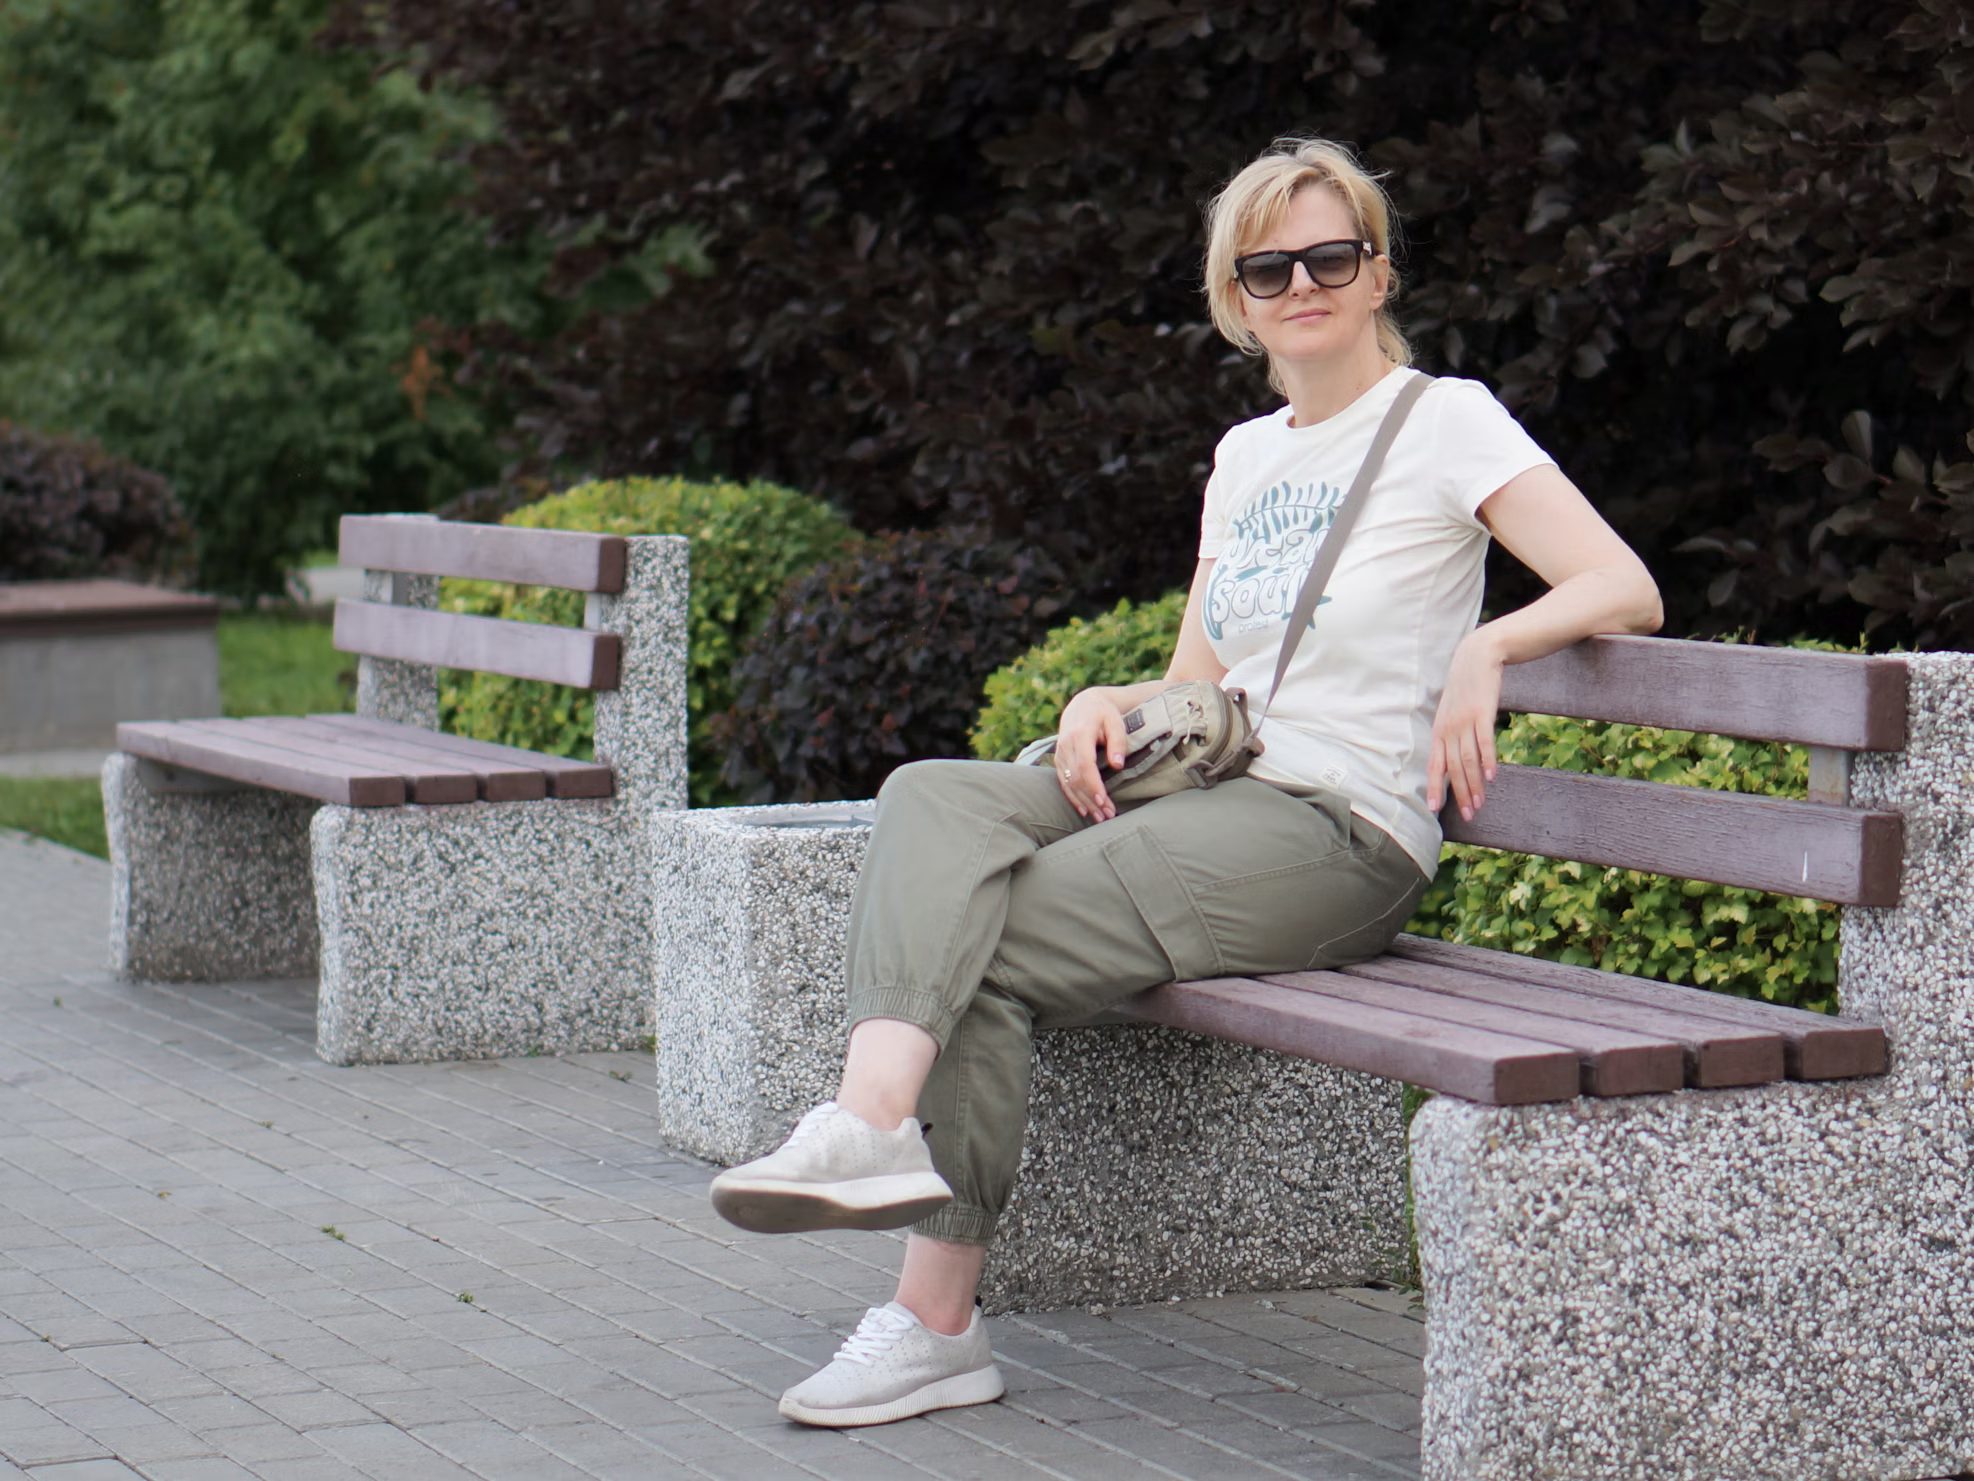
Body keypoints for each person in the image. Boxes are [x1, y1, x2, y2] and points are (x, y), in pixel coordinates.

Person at [708, 135, 1663, 1428]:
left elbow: (1621, 584)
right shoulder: (1244, 456)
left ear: (1378, 274)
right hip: (1216, 777)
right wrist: (1109, 703)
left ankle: (931, 1314)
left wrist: (1487, 645)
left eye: (1333, 256)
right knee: (933, 798)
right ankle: (870, 1121)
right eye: (1269, 268)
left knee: (970, 940)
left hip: (1338, 831)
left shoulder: (1446, 420)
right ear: (1234, 299)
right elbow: (1201, 677)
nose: (1302, 284)